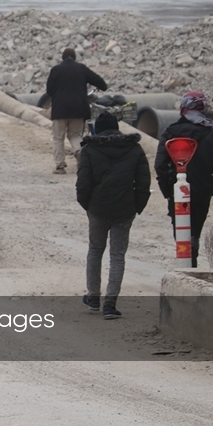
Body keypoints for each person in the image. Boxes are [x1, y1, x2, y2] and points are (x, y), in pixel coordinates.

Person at [75, 113, 151, 320]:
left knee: (95, 250)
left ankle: (93, 297)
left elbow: (83, 183)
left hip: (98, 209)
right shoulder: (134, 149)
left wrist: (88, 206)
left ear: (97, 129)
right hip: (124, 209)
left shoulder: (89, 150)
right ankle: (110, 304)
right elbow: (144, 182)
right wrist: (137, 206)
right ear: (117, 128)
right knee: (117, 256)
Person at [155, 91, 213, 268]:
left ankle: (186, 268)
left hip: (176, 192)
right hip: (202, 192)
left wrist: (168, 191)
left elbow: (160, 165)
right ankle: (192, 263)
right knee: (194, 232)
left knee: (181, 232)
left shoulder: (170, 133)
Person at [45, 47, 108, 175]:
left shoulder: (56, 70)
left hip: (60, 110)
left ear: (62, 58)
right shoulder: (81, 69)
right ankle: (79, 151)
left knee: (58, 137)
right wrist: (102, 87)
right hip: (79, 110)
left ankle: (60, 166)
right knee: (75, 136)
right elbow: (100, 82)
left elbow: (49, 91)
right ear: (75, 58)